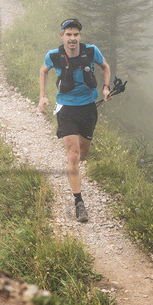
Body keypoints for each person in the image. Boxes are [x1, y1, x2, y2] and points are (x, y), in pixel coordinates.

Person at [38, 18, 111, 223]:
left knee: (83, 151)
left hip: (88, 107)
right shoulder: (54, 55)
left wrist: (106, 87)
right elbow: (43, 70)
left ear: (80, 36)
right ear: (62, 36)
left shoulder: (90, 51)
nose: (72, 38)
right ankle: (79, 202)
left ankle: (76, 166)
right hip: (66, 108)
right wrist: (42, 96)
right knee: (73, 155)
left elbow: (105, 66)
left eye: (76, 34)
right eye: (68, 34)